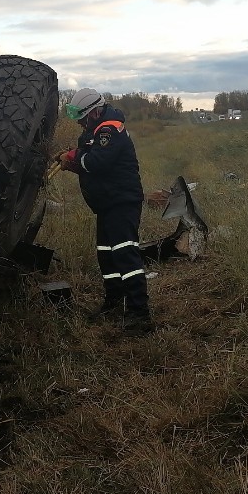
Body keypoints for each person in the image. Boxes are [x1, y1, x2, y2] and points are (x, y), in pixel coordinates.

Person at [57, 88, 154, 334]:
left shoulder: (110, 130)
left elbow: (95, 162)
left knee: (125, 255)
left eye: (82, 117)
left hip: (121, 202)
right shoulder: (94, 131)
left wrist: (73, 158)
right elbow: (88, 159)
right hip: (106, 205)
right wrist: (71, 161)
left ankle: (139, 314)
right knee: (106, 255)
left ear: (94, 112)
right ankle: (114, 301)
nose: (79, 122)